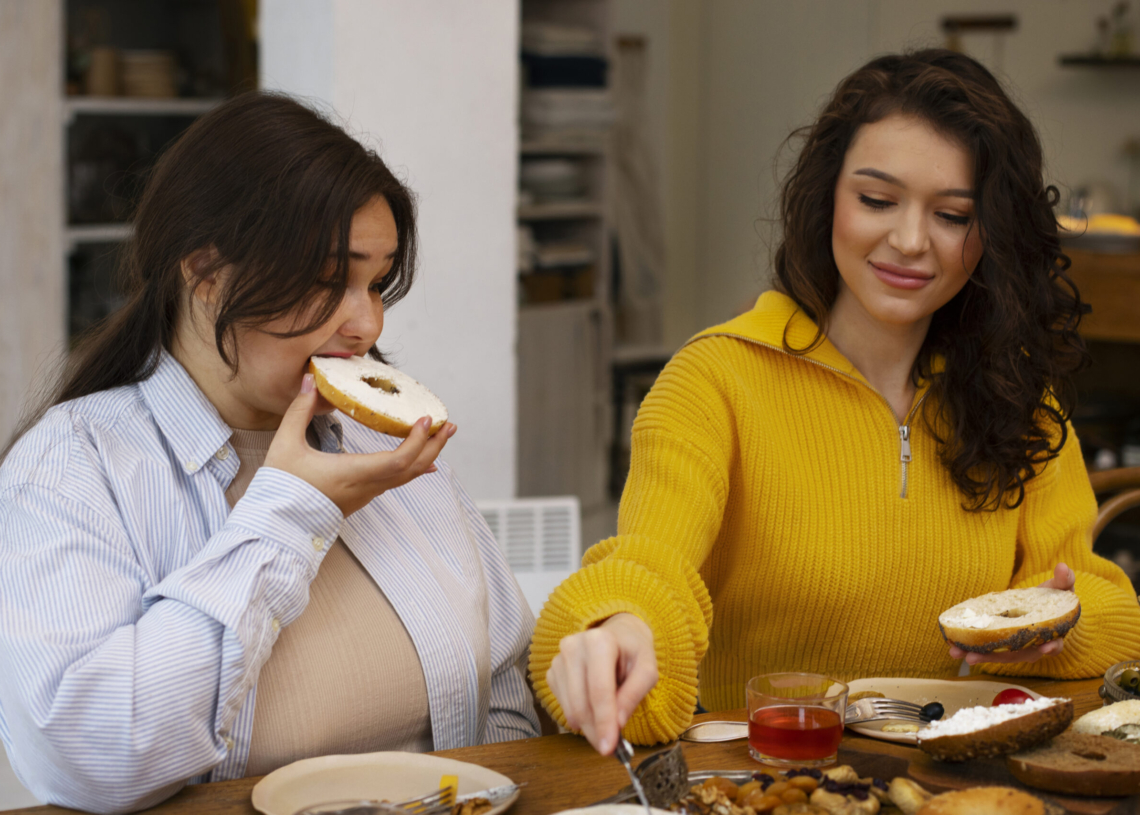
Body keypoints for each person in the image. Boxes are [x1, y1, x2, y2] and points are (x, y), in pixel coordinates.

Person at [529, 49, 1140, 754]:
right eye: (876, 200)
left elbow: (1104, 605)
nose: (909, 241)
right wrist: (619, 626)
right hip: (768, 783)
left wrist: (1059, 627)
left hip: (962, 785)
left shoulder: (1022, 400)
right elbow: (646, 567)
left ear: (990, 236)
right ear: (827, 199)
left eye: (951, 214)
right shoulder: (714, 381)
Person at [0, 93, 538, 814]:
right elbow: (87, 755)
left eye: (376, 283)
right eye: (328, 279)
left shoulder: (385, 444)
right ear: (206, 273)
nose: (368, 322)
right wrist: (292, 511)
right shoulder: (73, 464)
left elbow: (505, 679)